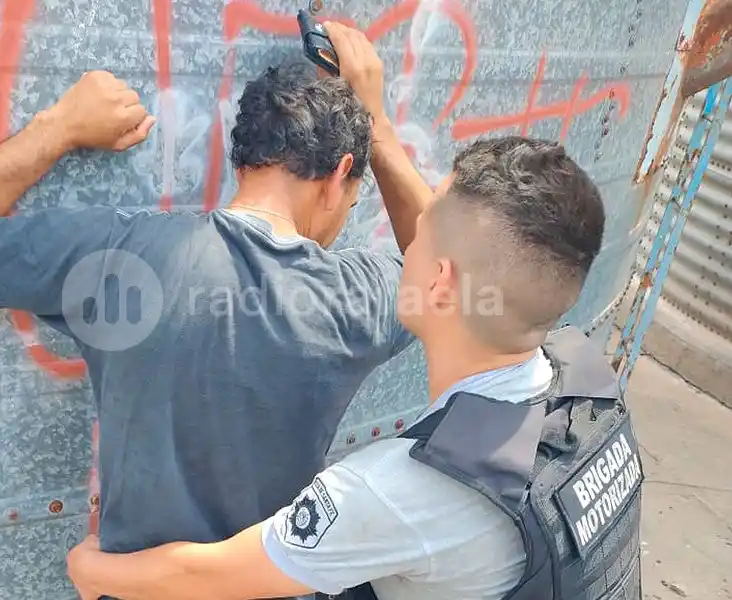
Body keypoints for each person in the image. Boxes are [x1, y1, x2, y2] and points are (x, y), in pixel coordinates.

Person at [63, 22, 644, 600]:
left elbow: (206, 575)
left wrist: (93, 572)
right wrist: (379, 129)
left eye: (423, 234)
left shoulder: (398, 495)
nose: (404, 236)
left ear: (438, 280)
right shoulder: (580, 389)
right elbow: (477, 267)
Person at [0, 54, 432, 562]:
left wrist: (57, 128)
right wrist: (378, 124)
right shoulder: (358, 297)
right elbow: (453, 268)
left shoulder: (118, 256)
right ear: (340, 174)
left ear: (244, 159)